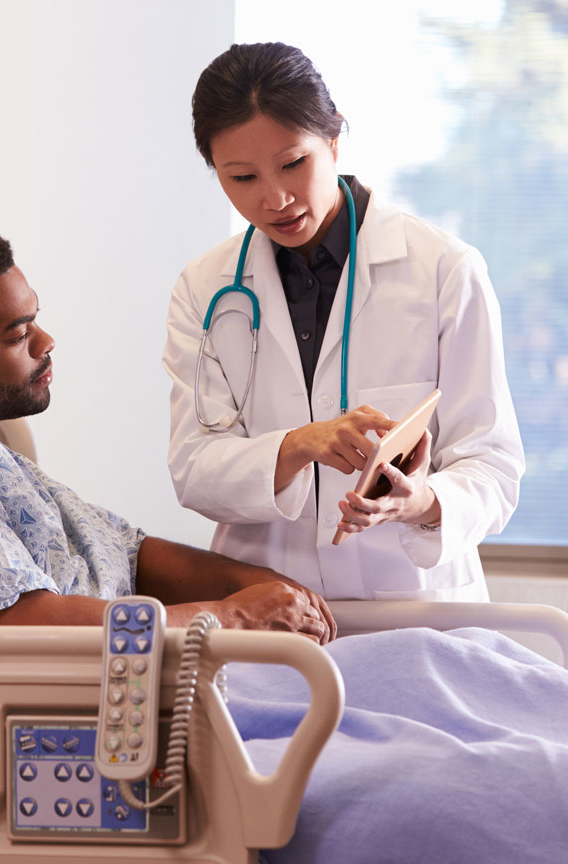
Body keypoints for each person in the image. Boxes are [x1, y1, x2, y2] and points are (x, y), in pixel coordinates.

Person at [0, 217, 335, 642]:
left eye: (35, 319)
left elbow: (128, 554)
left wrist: (262, 585)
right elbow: (16, 623)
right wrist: (232, 617)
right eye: (18, 334)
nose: (46, 342)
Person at [163, 42, 524, 602]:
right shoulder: (204, 288)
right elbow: (194, 468)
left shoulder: (443, 270)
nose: (275, 198)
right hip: (270, 606)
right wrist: (297, 446)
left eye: (293, 164)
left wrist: (421, 503)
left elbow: (492, 464)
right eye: (243, 177)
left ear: (333, 138)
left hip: (412, 608)